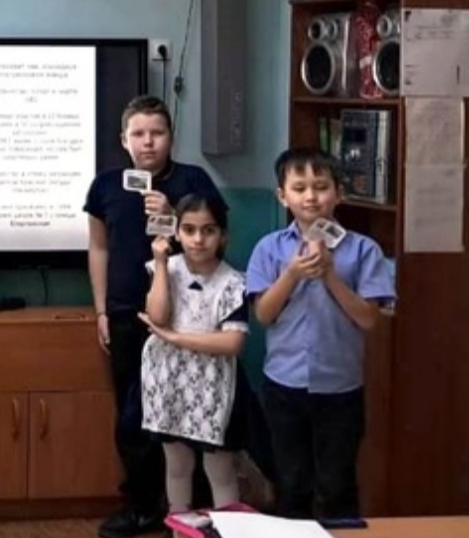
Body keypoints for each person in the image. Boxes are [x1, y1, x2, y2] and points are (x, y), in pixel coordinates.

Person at [83, 95, 226, 538]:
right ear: (123, 140)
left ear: (171, 138)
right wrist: (102, 310)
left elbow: (215, 246)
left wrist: (172, 215)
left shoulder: (192, 181)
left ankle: (189, 510)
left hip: (187, 321)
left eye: (157, 133)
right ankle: (142, 506)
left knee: (188, 413)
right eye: (139, 134)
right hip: (128, 317)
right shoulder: (106, 186)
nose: (148, 142)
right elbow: (99, 249)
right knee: (133, 416)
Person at [247, 148, 393, 521]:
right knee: (291, 483)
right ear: (282, 196)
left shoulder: (363, 250)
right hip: (284, 384)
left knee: (337, 484)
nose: (311, 196)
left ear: (338, 193)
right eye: (299, 188)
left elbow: (369, 320)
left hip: (340, 387)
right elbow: (263, 314)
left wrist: (330, 275)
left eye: (321, 186)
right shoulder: (270, 248)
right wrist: (292, 273)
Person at [136, 194, 249, 516]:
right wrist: (160, 263)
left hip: (214, 383)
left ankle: (229, 529)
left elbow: (232, 342)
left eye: (208, 230)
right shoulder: (165, 269)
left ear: (222, 235)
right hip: (168, 377)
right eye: (189, 230)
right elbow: (158, 316)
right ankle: (180, 528)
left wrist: (176, 337)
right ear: (176, 232)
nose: (198, 239)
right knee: (177, 463)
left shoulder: (232, 282)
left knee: (219, 466)